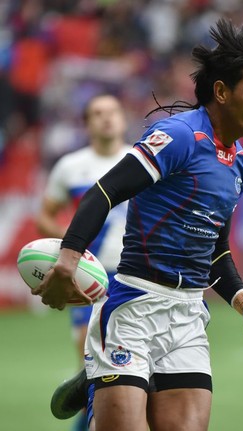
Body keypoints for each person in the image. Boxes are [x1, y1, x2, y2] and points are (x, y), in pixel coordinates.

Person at [34, 18, 243, 431]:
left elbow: (215, 252)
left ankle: (100, 379)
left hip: (187, 317)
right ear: (221, 92)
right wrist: (68, 259)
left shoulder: (239, 164)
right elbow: (103, 193)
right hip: (134, 306)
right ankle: (105, 373)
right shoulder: (179, 136)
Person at [36, 93, 132, 431]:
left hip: (133, 274)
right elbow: (44, 217)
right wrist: (72, 241)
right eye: (97, 113)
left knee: (130, 361)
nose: (106, 118)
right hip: (88, 276)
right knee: (90, 358)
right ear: (87, 123)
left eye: (112, 112)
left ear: (123, 118)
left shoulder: (141, 161)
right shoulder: (71, 166)